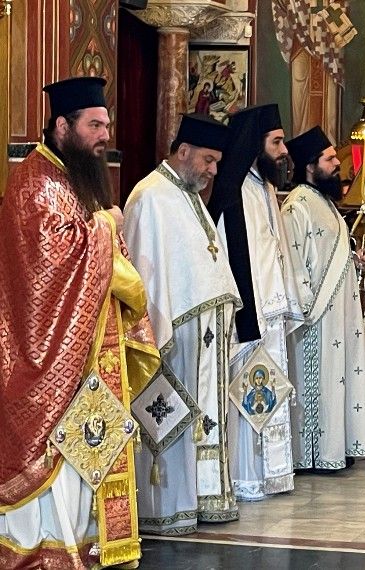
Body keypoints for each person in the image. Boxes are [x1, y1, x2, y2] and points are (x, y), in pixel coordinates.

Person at [0, 76, 159, 568]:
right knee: (58, 453)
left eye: (106, 125)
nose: (104, 135)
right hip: (44, 356)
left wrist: (101, 227)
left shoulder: (72, 176)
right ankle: (43, 548)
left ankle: (86, 542)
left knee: (86, 447)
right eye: (94, 125)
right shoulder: (35, 181)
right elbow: (48, 264)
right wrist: (106, 226)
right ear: (62, 126)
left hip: (85, 351)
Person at [124, 113, 242, 535]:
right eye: (208, 161)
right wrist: (151, 337)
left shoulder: (186, 195)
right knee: (170, 416)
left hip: (203, 336)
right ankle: (168, 508)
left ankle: (203, 497)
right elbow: (144, 273)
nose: (213, 171)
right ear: (184, 151)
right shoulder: (150, 196)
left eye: (217, 163)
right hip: (172, 337)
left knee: (202, 419)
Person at [207, 104, 302, 500]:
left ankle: (274, 474)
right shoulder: (233, 191)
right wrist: (248, 313)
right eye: (276, 142)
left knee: (269, 393)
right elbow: (231, 257)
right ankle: (248, 477)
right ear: (255, 144)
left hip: (272, 311)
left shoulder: (264, 187)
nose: (283, 150)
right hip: (250, 316)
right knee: (246, 395)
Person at [282, 126, 365, 471]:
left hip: (338, 316)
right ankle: (313, 454)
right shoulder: (297, 206)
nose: (338, 164)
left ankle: (335, 447)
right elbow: (294, 261)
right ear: (310, 166)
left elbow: (327, 255)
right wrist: (307, 307)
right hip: (316, 318)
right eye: (330, 158)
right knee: (317, 382)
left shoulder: (324, 202)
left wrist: (355, 262)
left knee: (337, 379)